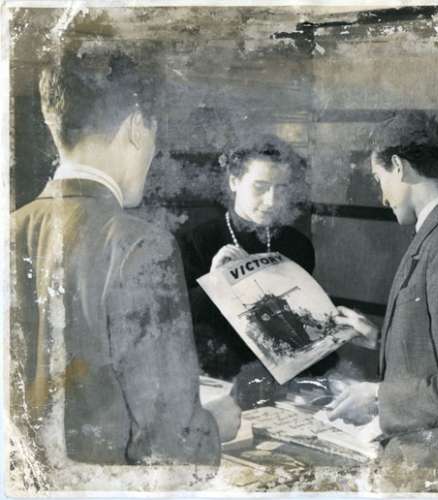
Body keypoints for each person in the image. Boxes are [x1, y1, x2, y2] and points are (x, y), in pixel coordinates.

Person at [10, 48, 239, 470]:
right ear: (137, 127)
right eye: (154, 137)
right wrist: (214, 426)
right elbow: (171, 445)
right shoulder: (140, 245)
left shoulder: (11, 228)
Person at [328, 111, 438, 483]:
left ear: (398, 167)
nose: (382, 198)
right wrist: (378, 338)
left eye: (379, 179)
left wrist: (378, 396)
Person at [178, 136, 336, 407]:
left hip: (282, 386)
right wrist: (215, 283)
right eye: (260, 187)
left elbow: (302, 325)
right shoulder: (196, 241)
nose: (272, 201)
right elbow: (177, 322)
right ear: (234, 181)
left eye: (281, 189)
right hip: (218, 386)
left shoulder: (296, 245)